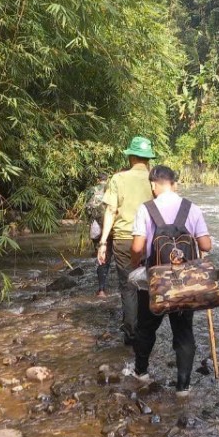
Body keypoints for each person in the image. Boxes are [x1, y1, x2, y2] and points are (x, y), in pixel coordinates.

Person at [126, 166, 212, 395]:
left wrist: (135, 263)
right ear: (173, 183)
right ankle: (183, 387)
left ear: (153, 184)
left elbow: (136, 247)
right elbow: (206, 246)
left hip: (155, 280)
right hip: (186, 281)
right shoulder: (191, 208)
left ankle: (141, 372)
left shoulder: (146, 209)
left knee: (146, 326)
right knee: (184, 332)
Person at [96, 136, 157, 347]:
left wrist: (103, 242)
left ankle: (131, 334)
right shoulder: (155, 180)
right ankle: (147, 332)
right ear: (148, 159)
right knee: (148, 286)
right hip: (150, 241)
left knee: (128, 285)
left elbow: (110, 211)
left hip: (123, 240)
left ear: (131, 157)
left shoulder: (118, 179)